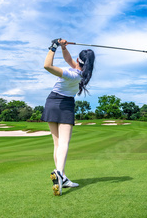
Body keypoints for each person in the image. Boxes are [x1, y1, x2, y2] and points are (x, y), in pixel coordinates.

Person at [41, 38, 95, 196]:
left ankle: (62, 177)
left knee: (57, 144)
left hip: (51, 102)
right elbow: (69, 59)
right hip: (64, 105)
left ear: (79, 60)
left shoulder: (72, 73)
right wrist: (63, 47)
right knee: (64, 142)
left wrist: (54, 47)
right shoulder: (81, 74)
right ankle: (59, 173)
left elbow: (47, 66)